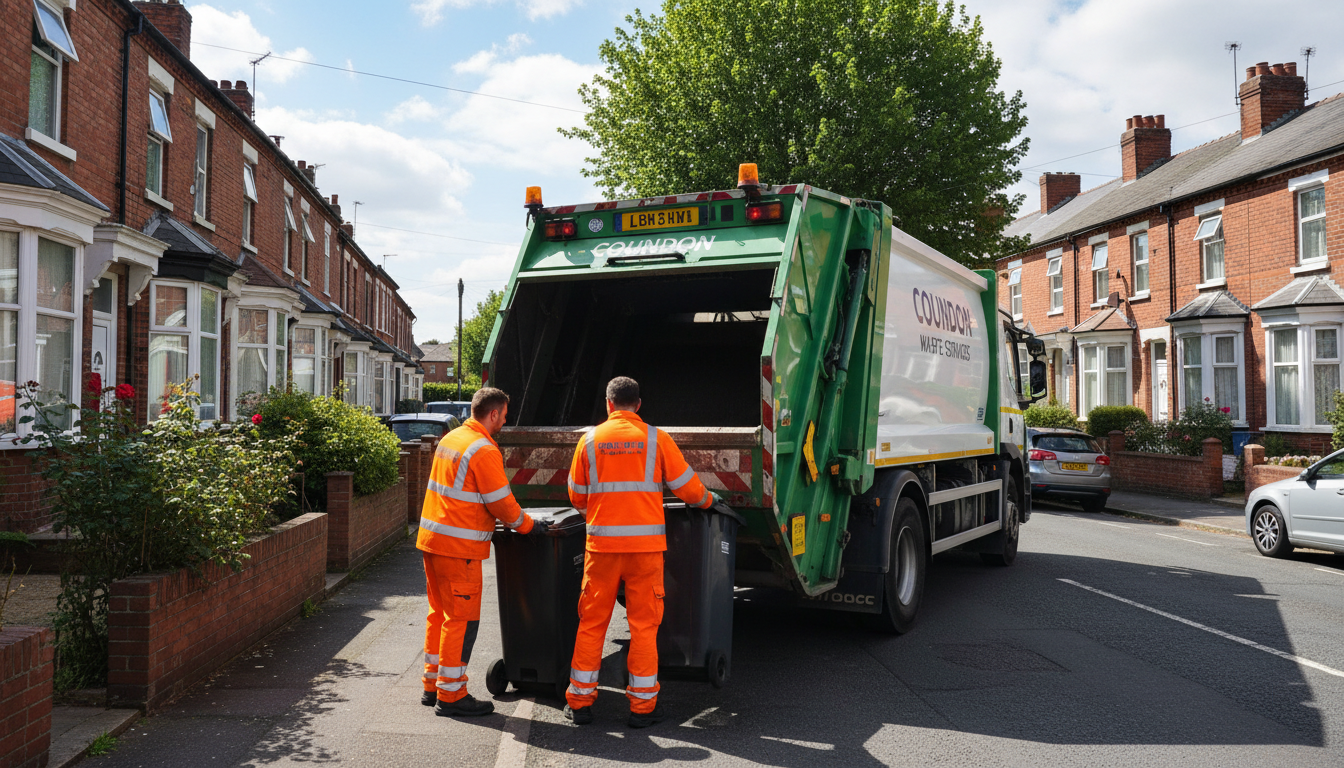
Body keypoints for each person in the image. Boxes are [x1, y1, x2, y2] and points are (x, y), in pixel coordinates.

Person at [564, 376, 722, 728]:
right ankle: (642, 708)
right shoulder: (656, 439)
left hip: (601, 548)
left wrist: (600, 513)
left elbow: (576, 495)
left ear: (608, 404)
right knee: (643, 628)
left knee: (592, 624)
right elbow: (687, 488)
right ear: (638, 404)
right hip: (645, 551)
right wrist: (710, 500)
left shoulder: (588, 441)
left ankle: (580, 703)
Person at [418, 387, 547, 717]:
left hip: (432, 541)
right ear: (492, 414)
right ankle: (452, 695)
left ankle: (432, 686)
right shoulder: (484, 450)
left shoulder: (451, 440)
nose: (505, 420)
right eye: (504, 415)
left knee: (440, 615)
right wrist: (530, 527)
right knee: (462, 621)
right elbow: (502, 503)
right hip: (458, 549)